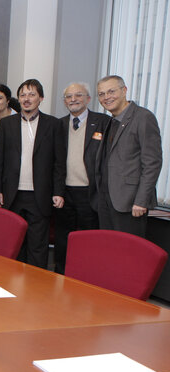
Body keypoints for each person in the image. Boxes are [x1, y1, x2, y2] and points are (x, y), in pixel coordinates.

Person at [0, 79, 64, 269]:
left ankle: (36, 287)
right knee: (15, 242)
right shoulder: (7, 124)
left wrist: (58, 192)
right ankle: (14, 282)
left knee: (38, 245)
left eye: (32, 95)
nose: (26, 99)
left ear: (41, 98)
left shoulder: (53, 125)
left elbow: (59, 162)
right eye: (23, 95)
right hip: (12, 193)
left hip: (40, 194)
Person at [96, 74, 162, 238]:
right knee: (109, 249)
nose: (106, 97)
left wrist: (141, 200)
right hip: (106, 200)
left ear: (124, 90)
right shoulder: (112, 121)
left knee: (128, 255)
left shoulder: (143, 117)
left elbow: (152, 163)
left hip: (130, 202)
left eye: (111, 91)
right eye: (102, 94)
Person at [54, 82, 110, 273]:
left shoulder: (103, 122)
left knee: (89, 237)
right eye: (69, 97)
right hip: (64, 192)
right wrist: (57, 190)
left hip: (90, 191)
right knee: (63, 237)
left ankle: (87, 275)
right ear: (64, 101)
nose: (73, 100)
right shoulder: (58, 124)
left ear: (88, 98)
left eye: (78, 95)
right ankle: (61, 275)